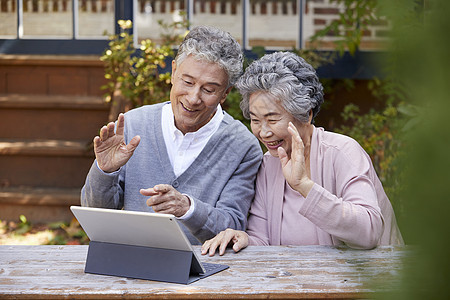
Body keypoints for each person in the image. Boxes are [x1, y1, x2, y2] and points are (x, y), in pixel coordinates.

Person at [201, 51, 404, 255]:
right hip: (298, 282)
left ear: (306, 114)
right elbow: (264, 241)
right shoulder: (269, 164)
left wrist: (304, 186)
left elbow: (368, 232)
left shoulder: (342, 152)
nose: (263, 132)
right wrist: (243, 238)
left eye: (272, 119)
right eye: (255, 120)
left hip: (371, 281)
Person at [81, 26, 263, 245]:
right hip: (133, 265)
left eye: (209, 89)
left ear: (225, 93)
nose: (194, 97)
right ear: (173, 72)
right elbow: (96, 218)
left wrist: (187, 208)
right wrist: (105, 172)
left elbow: (232, 227)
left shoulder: (243, 146)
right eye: (187, 82)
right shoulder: (132, 124)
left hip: (205, 272)